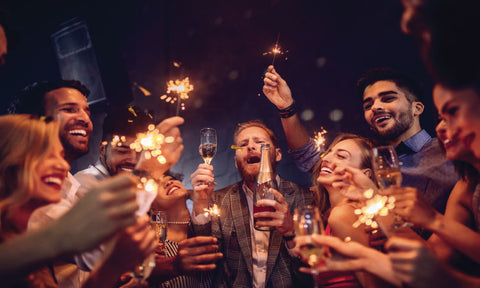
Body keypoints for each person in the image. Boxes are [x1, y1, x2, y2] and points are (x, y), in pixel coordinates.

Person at [9, 80, 184, 287]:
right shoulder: (33, 191)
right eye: (69, 109)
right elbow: (97, 252)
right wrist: (149, 171)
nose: (84, 118)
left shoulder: (67, 183)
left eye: (87, 111)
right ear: (36, 122)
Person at [263, 66, 457, 216]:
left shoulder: (450, 151)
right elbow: (309, 157)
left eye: (388, 98)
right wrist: (286, 108)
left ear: (417, 108)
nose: (376, 107)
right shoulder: (370, 158)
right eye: (368, 104)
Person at [0, 114, 156, 287]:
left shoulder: (20, 232)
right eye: (45, 154)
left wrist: (111, 270)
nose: (64, 166)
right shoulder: (87, 188)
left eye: (61, 155)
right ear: (8, 160)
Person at [190, 120, 313, 287]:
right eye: (243, 144)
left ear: (277, 154)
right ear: (235, 161)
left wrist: (291, 233)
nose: (250, 147)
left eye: (260, 142)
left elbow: (311, 273)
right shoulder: (219, 200)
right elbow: (206, 265)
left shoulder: (304, 198)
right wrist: (200, 203)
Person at [311, 133, 397, 287]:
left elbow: (373, 284)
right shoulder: (341, 212)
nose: (326, 158)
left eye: (341, 156)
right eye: (328, 152)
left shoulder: (343, 214)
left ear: (365, 174)